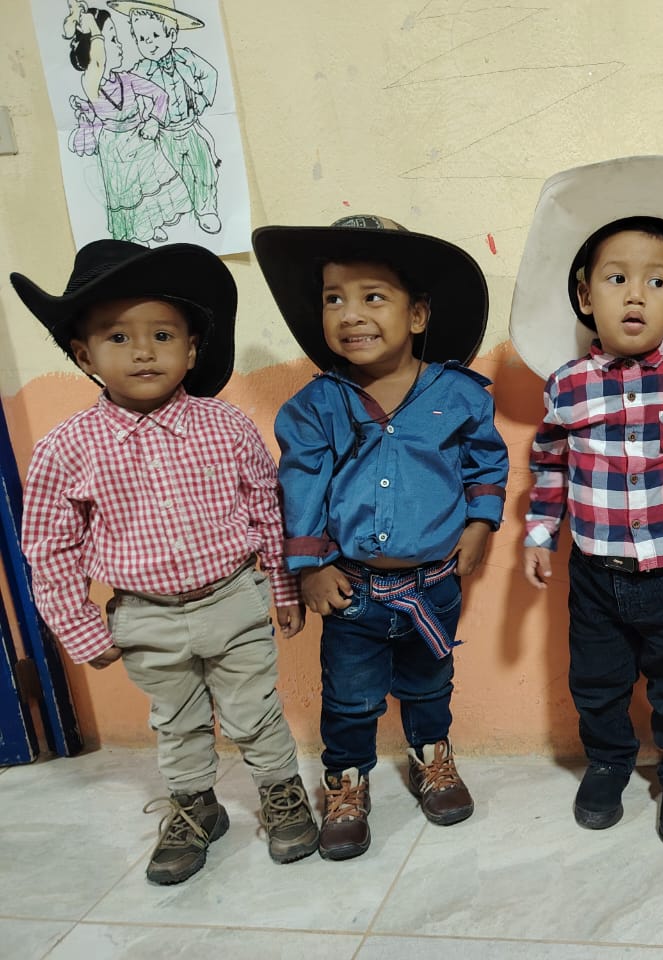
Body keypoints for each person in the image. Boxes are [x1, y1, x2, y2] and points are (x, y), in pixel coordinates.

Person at [12, 239, 318, 885]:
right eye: (117, 337)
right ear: (83, 355)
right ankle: (196, 807)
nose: (143, 351)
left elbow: (267, 508)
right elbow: (49, 546)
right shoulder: (66, 448)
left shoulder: (225, 426)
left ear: (192, 349)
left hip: (233, 600)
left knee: (254, 710)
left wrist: (283, 589)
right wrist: (80, 629)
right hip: (144, 616)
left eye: (162, 335)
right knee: (176, 723)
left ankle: (282, 794)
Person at [511, 155, 663, 846]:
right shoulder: (567, 384)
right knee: (597, 680)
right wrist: (539, 534)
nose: (635, 295)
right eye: (616, 278)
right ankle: (608, 762)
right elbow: (550, 463)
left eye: (656, 282)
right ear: (585, 295)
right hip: (597, 570)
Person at [256, 214, 508, 861]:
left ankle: (432, 757)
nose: (350, 314)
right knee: (349, 696)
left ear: (417, 314)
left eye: (373, 297)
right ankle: (346, 783)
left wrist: (481, 523)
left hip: (434, 585)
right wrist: (310, 568)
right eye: (334, 299)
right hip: (353, 591)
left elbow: (485, 463)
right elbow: (301, 488)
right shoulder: (315, 407)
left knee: (430, 681)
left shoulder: (459, 395)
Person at [62, 3, 189, 244]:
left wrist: (154, 121)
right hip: (116, 149)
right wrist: (94, 29)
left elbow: (160, 95)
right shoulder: (91, 82)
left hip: (142, 142)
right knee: (128, 191)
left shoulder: (127, 79)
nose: (120, 46)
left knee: (151, 185)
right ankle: (140, 232)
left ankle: (151, 223)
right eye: (112, 39)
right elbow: (98, 62)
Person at [110, 0, 224, 233]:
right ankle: (190, 208)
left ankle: (207, 209)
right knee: (179, 171)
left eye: (154, 35)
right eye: (142, 39)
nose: (149, 44)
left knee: (205, 168)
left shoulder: (186, 58)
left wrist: (202, 99)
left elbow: (210, 74)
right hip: (165, 133)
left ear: (171, 34)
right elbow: (127, 88)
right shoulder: (141, 70)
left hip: (190, 127)